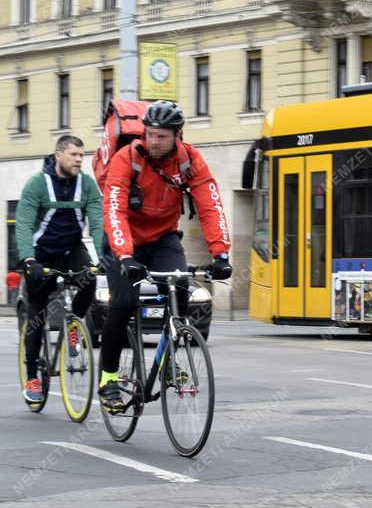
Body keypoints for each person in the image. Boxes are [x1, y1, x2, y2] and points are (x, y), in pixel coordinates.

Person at [98, 100, 232, 412]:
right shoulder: (126, 158)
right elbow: (114, 209)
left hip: (162, 238)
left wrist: (221, 253)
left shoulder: (191, 160)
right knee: (121, 304)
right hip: (124, 240)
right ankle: (108, 379)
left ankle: (169, 360)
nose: (154, 142)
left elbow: (210, 205)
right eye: (150, 134)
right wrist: (125, 255)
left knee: (180, 288)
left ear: (177, 136)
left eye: (162, 136)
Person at [15, 135, 103, 403]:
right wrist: (28, 260)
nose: (79, 160)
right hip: (41, 256)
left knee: (90, 279)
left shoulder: (87, 185)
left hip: (71, 250)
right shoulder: (37, 185)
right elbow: (24, 224)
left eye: (81, 155)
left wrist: (104, 258)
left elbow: (97, 223)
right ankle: (32, 378)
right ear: (58, 155)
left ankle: (73, 326)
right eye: (74, 155)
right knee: (37, 315)